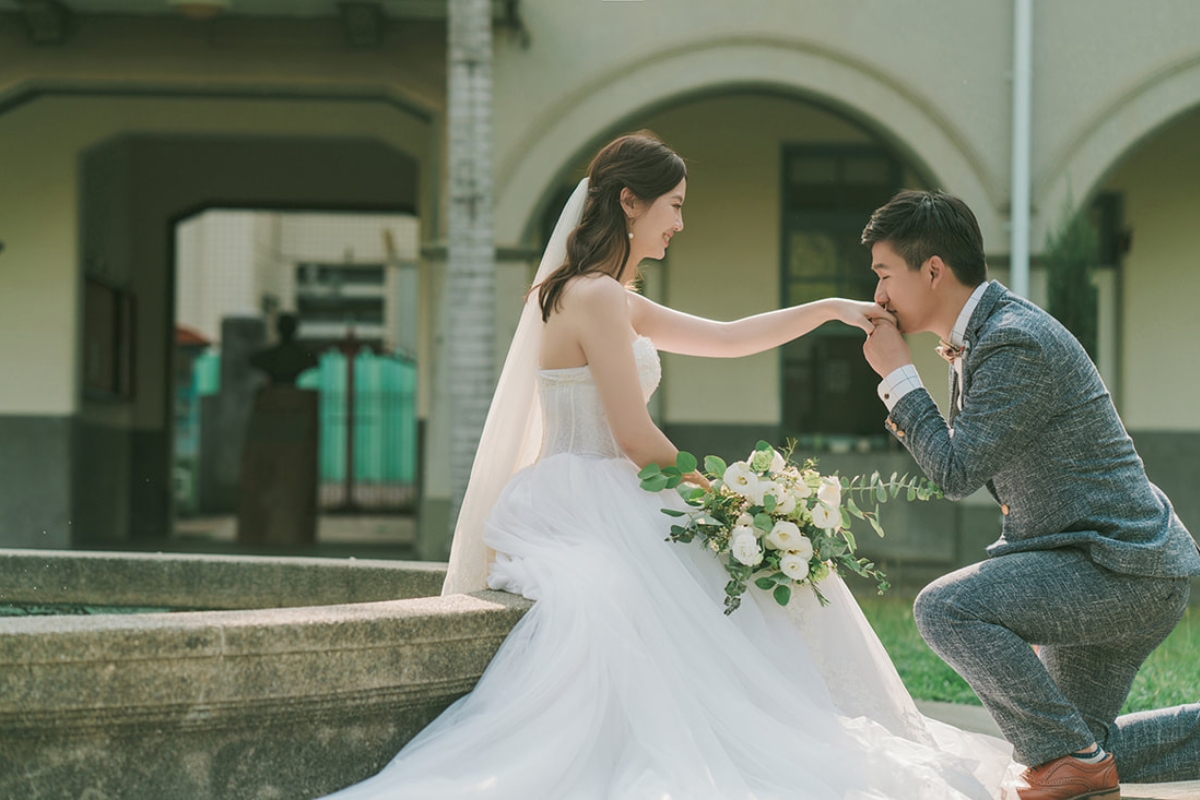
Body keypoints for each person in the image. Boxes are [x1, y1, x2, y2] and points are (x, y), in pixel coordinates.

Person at [320, 134, 1015, 799]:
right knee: (708, 584)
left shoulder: (609, 297)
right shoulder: (592, 297)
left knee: (768, 583)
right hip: (589, 491)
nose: (680, 222)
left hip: (619, 487)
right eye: (674, 205)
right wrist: (732, 501)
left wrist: (831, 309)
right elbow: (633, 437)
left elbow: (728, 338)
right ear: (630, 201)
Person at [860, 189, 1200, 800]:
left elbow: (956, 471)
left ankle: (1073, 762)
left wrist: (898, 376)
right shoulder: (988, 334)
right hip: (1108, 563)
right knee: (1080, 746)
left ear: (932, 268)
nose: (878, 294)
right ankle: (1079, 760)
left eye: (885, 274)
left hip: (1119, 569)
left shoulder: (1014, 340)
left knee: (945, 609)